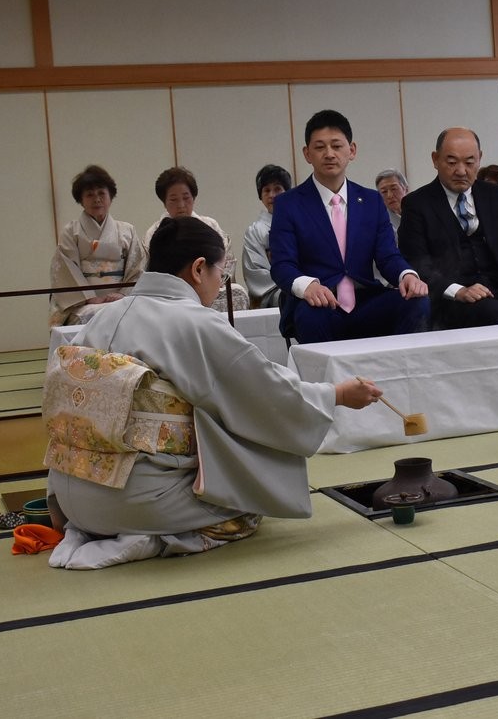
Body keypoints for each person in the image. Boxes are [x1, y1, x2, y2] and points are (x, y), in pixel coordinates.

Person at [43, 216, 383, 569]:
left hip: (73, 499)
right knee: (247, 507)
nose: (221, 283)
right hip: (138, 501)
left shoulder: (101, 318)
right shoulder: (194, 323)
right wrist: (336, 394)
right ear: (198, 268)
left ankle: (109, 527)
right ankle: (151, 538)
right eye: (221, 273)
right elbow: (265, 393)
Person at [269, 109, 429, 343]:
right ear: (307, 154)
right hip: (319, 302)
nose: (329, 154)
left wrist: (406, 275)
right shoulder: (288, 204)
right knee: (312, 316)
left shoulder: (372, 201)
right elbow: (282, 264)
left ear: (351, 150)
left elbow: (387, 256)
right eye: (320, 147)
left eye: (336, 146)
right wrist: (308, 285)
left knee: (417, 302)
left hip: (366, 301)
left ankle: (396, 366)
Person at [397, 127, 498, 328]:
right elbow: (416, 261)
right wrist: (458, 291)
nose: (461, 171)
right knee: (492, 313)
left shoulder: (495, 196)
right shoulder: (417, 204)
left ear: (480, 159)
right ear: (435, 159)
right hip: (453, 298)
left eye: (469, 162)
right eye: (452, 162)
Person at [49, 164, 146, 326]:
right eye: (89, 194)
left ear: (111, 196)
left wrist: (122, 294)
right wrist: (90, 298)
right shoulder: (71, 232)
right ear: (81, 200)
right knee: (92, 316)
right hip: (83, 304)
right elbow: (66, 271)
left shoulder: (127, 231)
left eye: (102, 193)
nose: (97, 199)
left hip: (121, 299)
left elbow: (137, 268)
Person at [142, 166, 248, 312]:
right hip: (173, 292)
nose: (181, 205)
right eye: (173, 200)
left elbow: (226, 262)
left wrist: (214, 280)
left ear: (194, 197)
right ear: (164, 202)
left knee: (237, 292)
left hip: (211, 285)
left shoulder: (210, 225)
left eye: (186, 198)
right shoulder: (154, 233)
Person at [241, 163, 291, 308]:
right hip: (275, 293)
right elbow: (255, 272)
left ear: (287, 192)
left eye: (277, 189)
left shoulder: (302, 223)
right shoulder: (255, 232)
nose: (272, 195)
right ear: (260, 196)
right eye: (266, 190)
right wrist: (292, 284)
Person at [375, 168, 409, 236]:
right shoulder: (379, 222)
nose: (389, 195)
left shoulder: (420, 212)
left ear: (405, 189)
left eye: (394, 189)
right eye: (384, 191)